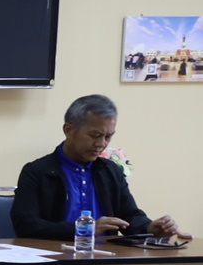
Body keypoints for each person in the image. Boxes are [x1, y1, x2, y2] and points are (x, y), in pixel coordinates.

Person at [12, 94, 189, 241]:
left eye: (108, 136)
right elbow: (26, 225)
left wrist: (150, 227)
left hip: (106, 259)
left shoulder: (109, 170)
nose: (101, 144)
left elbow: (129, 215)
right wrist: (84, 229)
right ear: (69, 130)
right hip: (54, 258)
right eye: (95, 135)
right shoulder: (37, 172)